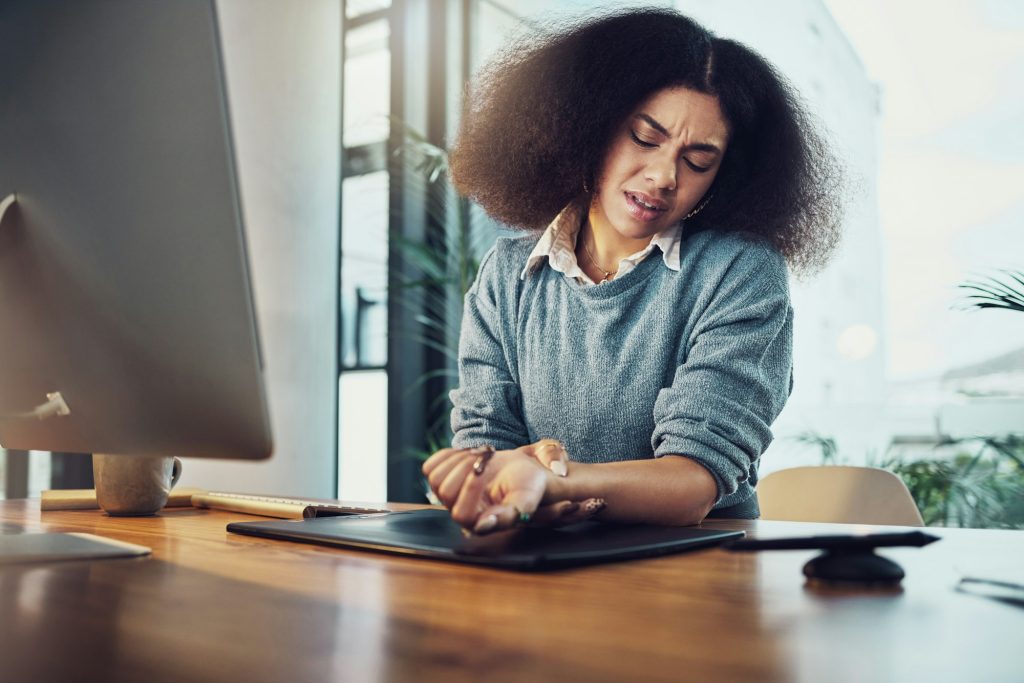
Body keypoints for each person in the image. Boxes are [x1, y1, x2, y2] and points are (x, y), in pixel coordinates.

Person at [422, 8, 843, 535]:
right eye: (645, 138)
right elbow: (487, 448)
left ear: (724, 174)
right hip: (536, 561)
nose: (664, 175)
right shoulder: (506, 274)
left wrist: (554, 480)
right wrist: (482, 471)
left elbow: (694, 481)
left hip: (698, 573)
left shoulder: (738, 271)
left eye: (698, 160)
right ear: (588, 127)